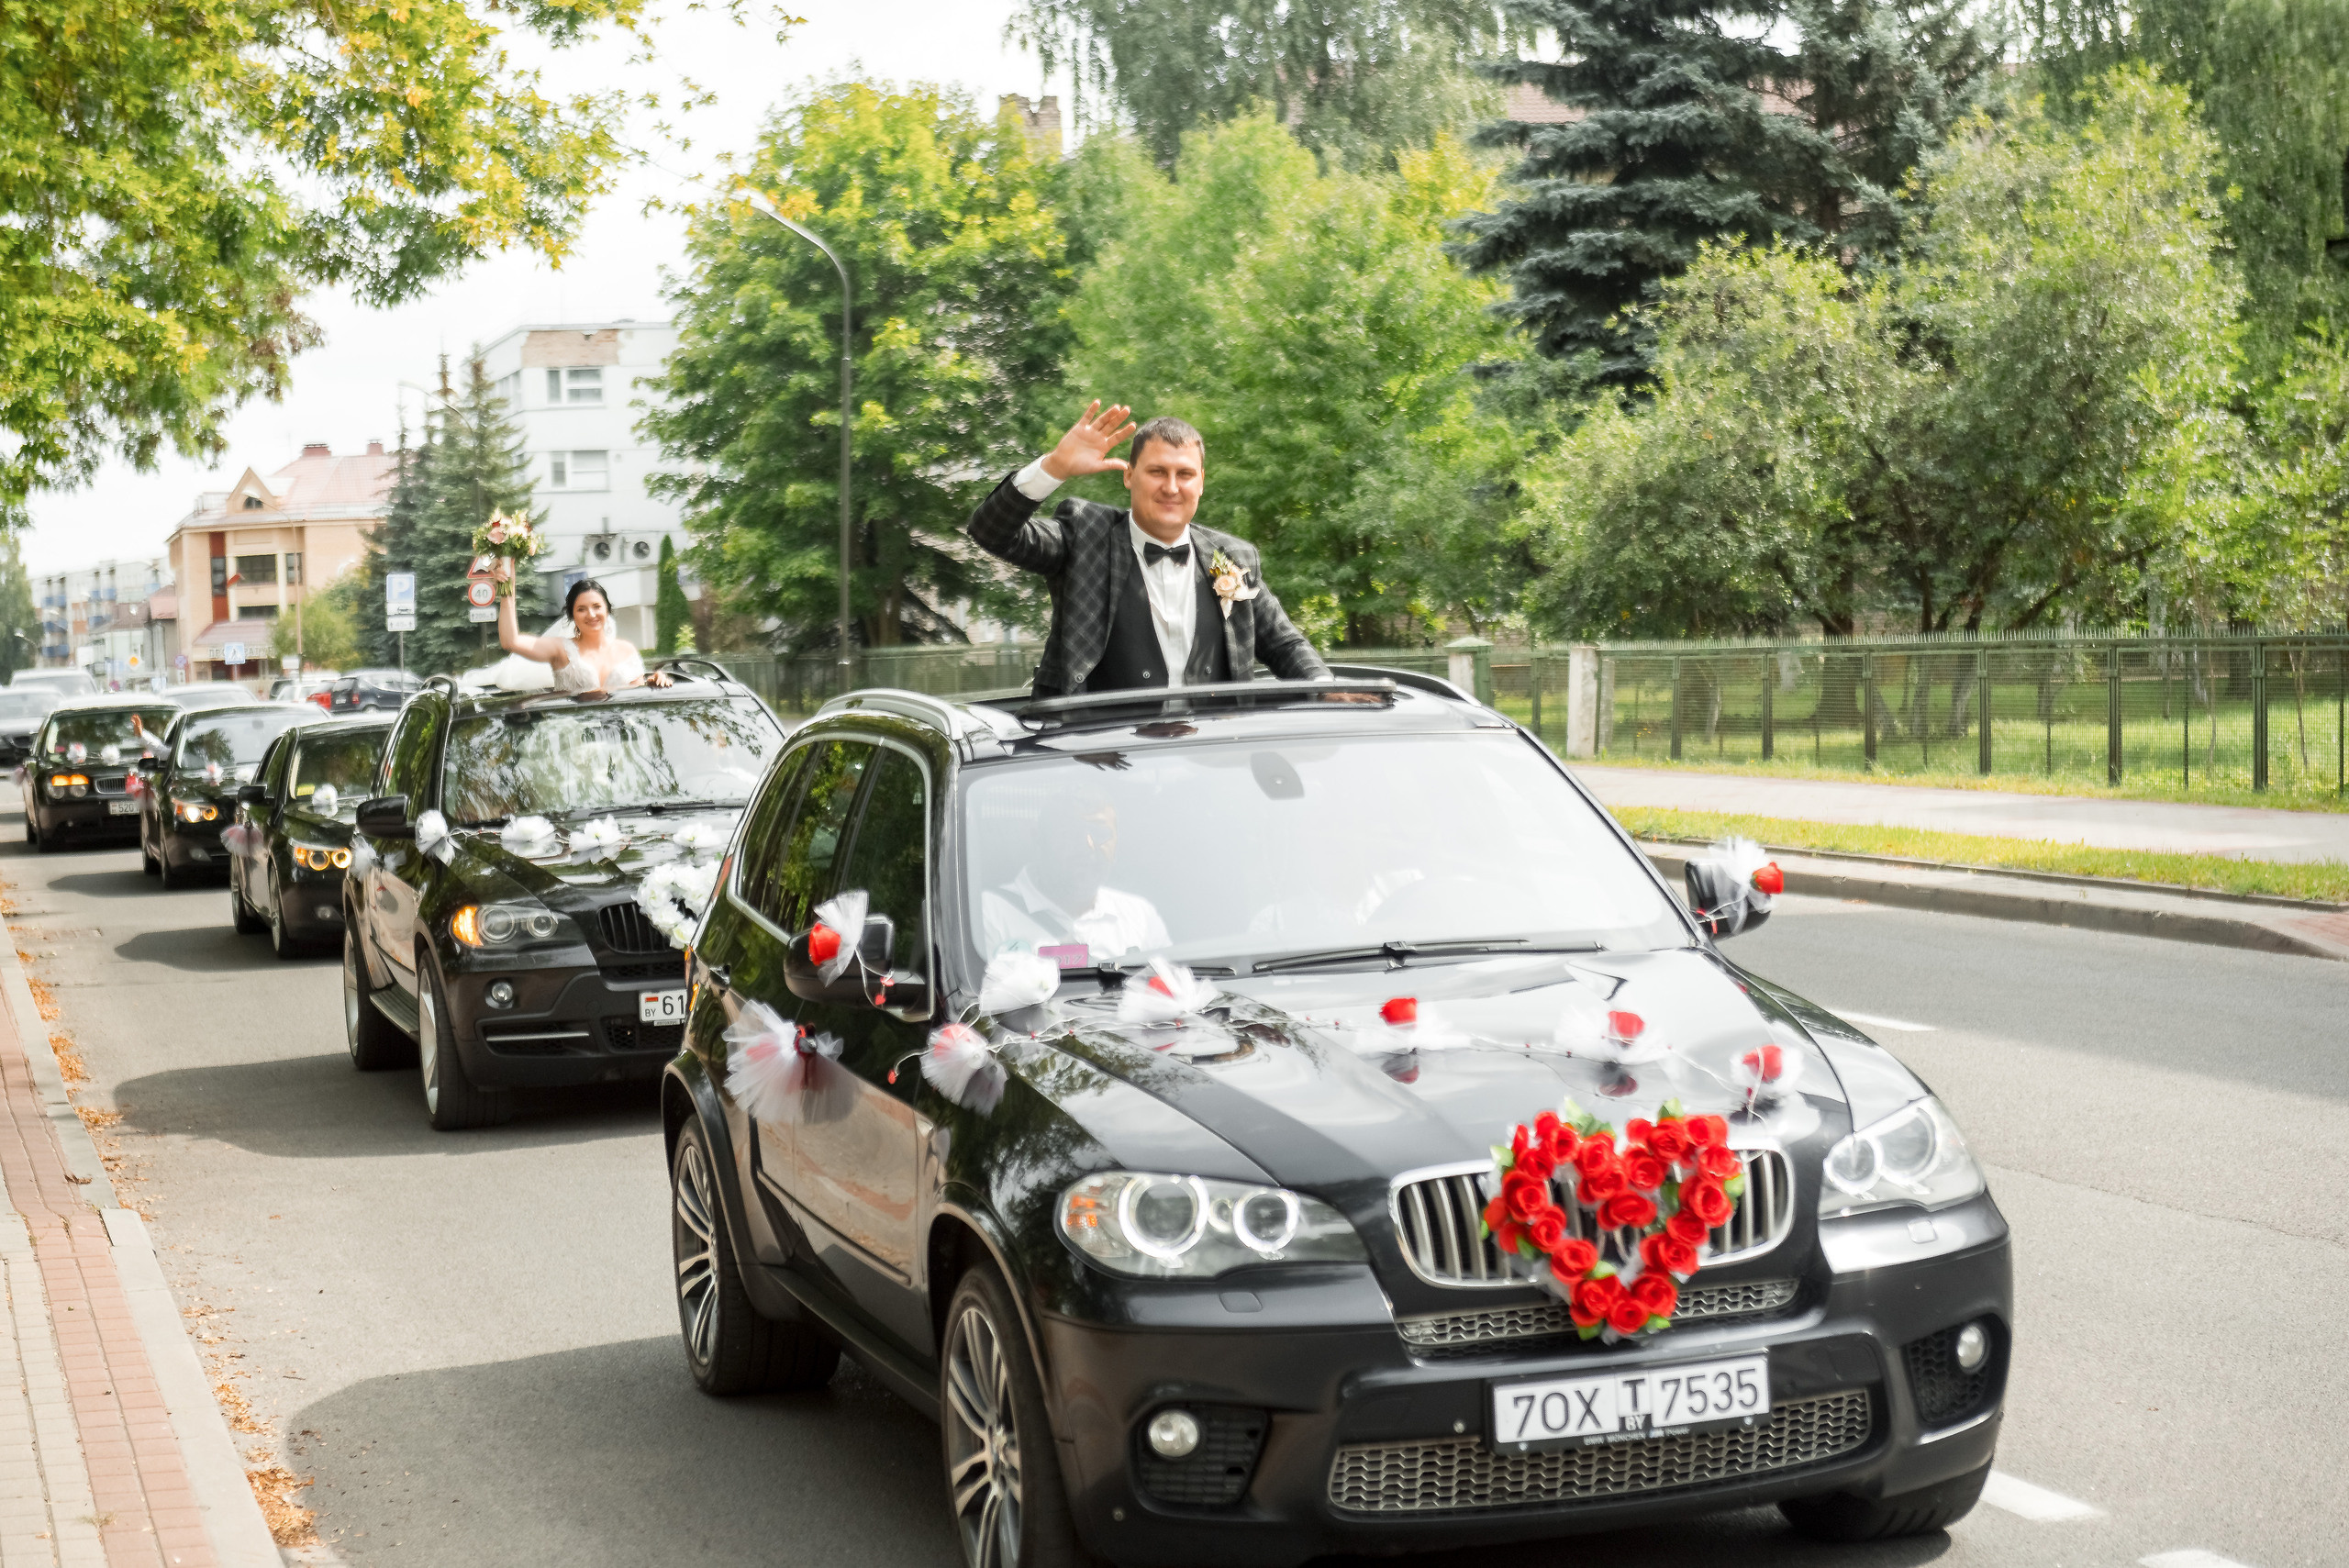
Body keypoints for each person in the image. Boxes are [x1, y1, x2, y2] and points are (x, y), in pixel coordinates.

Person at [966, 404, 1330, 697]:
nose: (1171, 487)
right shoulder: (1084, 535)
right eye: (1157, 471)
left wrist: (1328, 690)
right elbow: (991, 532)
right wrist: (1055, 468)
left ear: (1201, 482)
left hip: (1211, 762)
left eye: (1185, 474)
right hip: (1098, 764)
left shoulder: (1232, 558)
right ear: (1129, 476)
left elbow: (1285, 645)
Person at [494, 574, 673, 692]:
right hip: (575, 743)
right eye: (581, 609)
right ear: (572, 615)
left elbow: (637, 701)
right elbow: (511, 642)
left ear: (607, 610)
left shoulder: (627, 650)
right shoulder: (561, 649)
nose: (591, 615)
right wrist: (507, 589)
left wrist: (653, 683)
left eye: (597, 607)